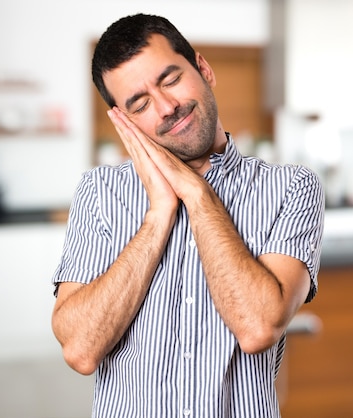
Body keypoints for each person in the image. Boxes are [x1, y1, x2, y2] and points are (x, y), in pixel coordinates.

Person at [51, 13, 324, 417]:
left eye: (170, 80)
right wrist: (160, 212)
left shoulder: (291, 187)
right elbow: (80, 349)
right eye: (140, 103)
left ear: (203, 68)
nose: (167, 107)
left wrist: (195, 192)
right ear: (124, 122)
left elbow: (257, 327)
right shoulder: (100, 193)